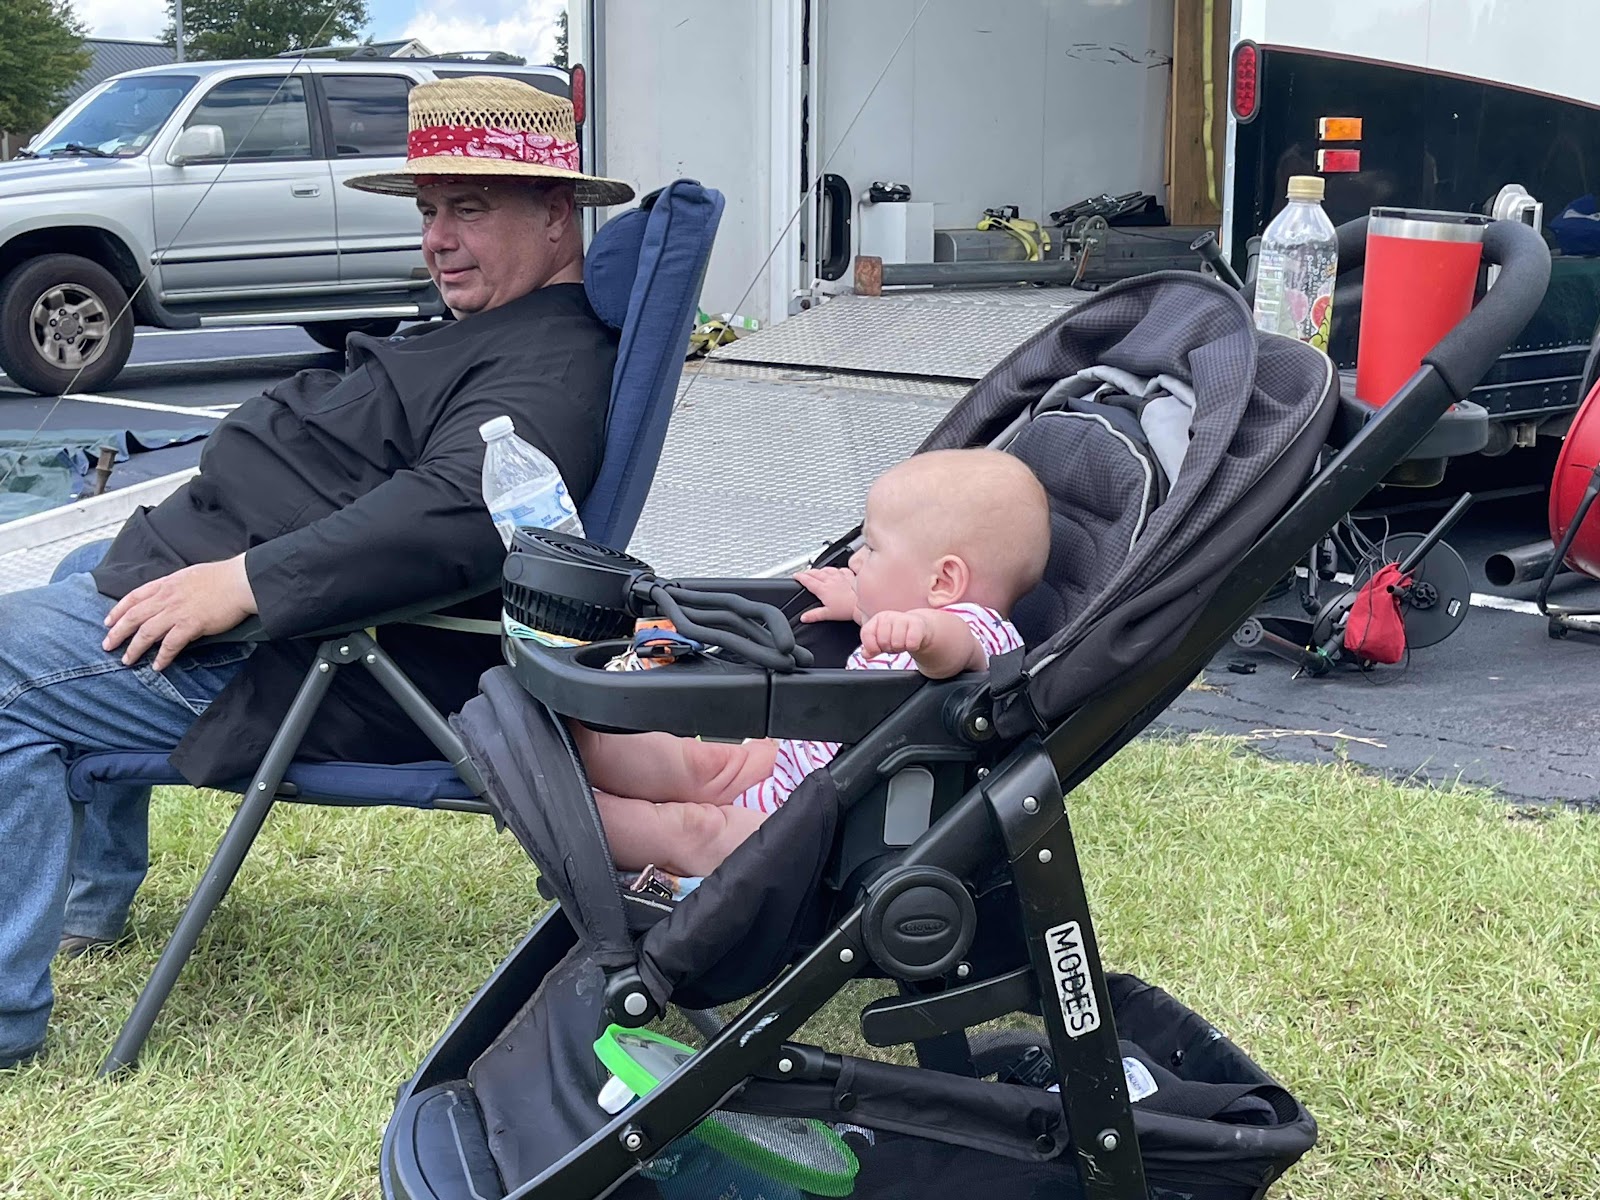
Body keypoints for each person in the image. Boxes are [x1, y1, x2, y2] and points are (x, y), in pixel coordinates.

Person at [0, 77, 636, 1069]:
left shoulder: (549, 363)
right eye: (428, 211)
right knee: (83, 568)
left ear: (556, 215)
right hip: (257, 601)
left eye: (469, 208)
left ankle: (4, 1019)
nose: (437, 239)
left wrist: (244, 582)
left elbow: (464, 510)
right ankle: (90, 902)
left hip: (306, 654)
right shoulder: (501, 326)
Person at [571, 449, 1053, 878]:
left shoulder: (980, 630)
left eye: (873, 548)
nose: (856, 561)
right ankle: (582, 749)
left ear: (944, 582)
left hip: (819, 826)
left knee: (695, 828)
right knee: (704, 763)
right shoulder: (912, 610)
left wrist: (922, 633)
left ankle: (576, 818)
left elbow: (955, 650)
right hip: (794, 768)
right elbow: (902, 617)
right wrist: (860, 605)